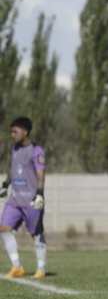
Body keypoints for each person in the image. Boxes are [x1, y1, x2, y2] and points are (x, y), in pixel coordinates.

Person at [0, 117, 48, 279]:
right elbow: (13, 168)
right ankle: (17, 267)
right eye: (11, 131)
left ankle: (41, 268)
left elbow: (41, 174)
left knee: (36, 233)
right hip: (15, 199)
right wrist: (6, 184)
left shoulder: (36, 150)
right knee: (3, 228)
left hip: (31, 200)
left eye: (15, 131)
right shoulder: (14, 148)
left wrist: (40, 193)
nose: (12, 134)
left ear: (25, 132)